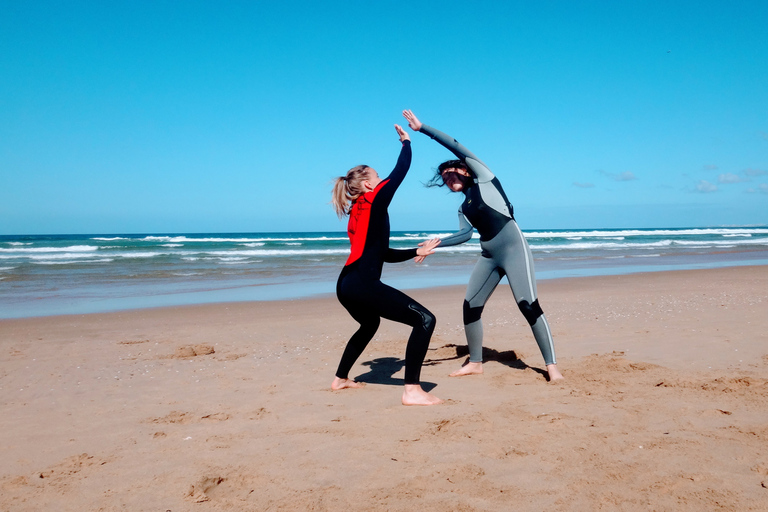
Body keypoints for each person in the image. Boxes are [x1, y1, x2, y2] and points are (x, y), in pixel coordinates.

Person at [402, 109, 564, 382]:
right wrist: (435, 244)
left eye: (451, 171)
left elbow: (455, 145)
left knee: (528, 305)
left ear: (465, 170)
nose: (447, 177)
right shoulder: (463, 208)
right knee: (471, 304)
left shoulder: (485, 179)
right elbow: (464, 235)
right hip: (489, 254)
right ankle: (476, 362)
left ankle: (552, 367)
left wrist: (423, 129)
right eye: (443, 176)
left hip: (513, 249)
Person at [330, 123, 444, 405]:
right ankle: (412, 391)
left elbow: (381, 254)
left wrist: (416, 251)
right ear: (369, 184)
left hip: (346, 284)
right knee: (424, 320)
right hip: (362, 284)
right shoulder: (373, 200)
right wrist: (406, 143)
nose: (381, 181)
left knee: (369, 325)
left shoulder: (359, 212)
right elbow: (400, 173)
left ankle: (340, 379)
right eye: (377, 177)